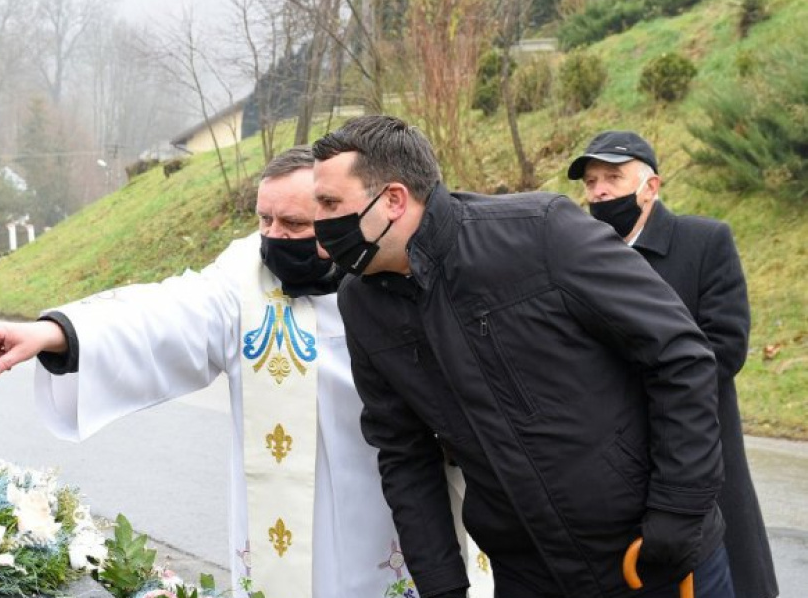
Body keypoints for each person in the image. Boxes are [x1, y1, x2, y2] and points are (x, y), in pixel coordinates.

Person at [0, 147, 493, 598]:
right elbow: (167, 313)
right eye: (265, 220)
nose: (273, 237)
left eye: (294, 225)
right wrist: (58, 332)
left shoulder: (401, 275)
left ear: (342, 218)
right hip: (291, 536)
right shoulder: (246, 280)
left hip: (399, 510)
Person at [312, 115, 732, 598]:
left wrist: (679, 509)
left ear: (393, 199)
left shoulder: (540, 234)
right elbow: (403, 452)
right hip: (528, 575)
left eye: (330, 203)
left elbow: (679, 353)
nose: (320, 223)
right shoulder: (361, 304)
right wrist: (441, 583)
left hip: (650, 556)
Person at [569, 130, 778, 598]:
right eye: (591, 181)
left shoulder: (704, 242)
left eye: (612, 178)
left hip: (699, 446)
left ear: (651, 186)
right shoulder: (578, 258)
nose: (599, 191)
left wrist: (639, 380)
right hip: (616, 462)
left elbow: (725, 347)